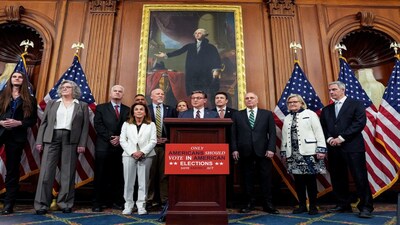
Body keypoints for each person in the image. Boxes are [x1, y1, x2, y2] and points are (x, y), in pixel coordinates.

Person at [34, 80, 89, 215]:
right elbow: (44, 123)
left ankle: (65, 203)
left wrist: (82, 144)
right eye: (62, 87)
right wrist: (39, 141)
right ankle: (41, 204)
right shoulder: (52, 103)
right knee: (46, 172)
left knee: (68, 172)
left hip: (71, 139)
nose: (64, 89)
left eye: (67, 87)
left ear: (74, 90)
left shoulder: (82, 105)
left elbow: (85, 127)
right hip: (51, 138)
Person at [320, 81, 373, 218]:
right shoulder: (326, 110)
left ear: (342, 90)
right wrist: (330, 139)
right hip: (333, 148)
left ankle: (366, 207)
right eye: (330, 90)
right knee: (338, 178)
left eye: (334, 89)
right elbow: (324, 127)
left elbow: (359, 123)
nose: (331, 92)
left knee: (359, 177)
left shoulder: (356, 104)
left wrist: (341, 138)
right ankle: (343, 204)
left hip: (353, 147)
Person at [231, 92, 279, 214]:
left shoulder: (267, 114)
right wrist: (235, 149)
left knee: (266, 178)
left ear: (257, 100)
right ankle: (249, 203)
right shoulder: (237, 115)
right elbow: (233, 134)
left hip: (263, 151)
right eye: (247, 98)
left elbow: (272, 133)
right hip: (244, 151)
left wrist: (271, 148)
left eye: (252, 98)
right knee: (246, 179)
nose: (249, 100)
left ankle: (267, 204)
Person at [280, 94, 326, 215]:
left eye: (295, 102)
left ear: (301, 103)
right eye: (290, 103)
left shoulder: (310, 114)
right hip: (293, 155)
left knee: (310, 181)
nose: (292, 104)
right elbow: (284, 137)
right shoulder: (287, 118)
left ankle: (313, 206)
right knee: (299, 182)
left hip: (309, 152)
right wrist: (284, 152)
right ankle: (302, 205)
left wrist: (321, 149)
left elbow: (318, 132)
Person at [0, 72, 37, 215]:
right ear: (10, 79)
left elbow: (32, 121)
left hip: (16, 137)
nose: (17, 78)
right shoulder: (2, 95)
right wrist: (1, 122)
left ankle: (8, 203)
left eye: (20, 77)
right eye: (14, 76)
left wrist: (19, 123)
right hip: (1, 132)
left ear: (24, 81)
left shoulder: (30, 99)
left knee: (12, 171)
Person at [92, 85, 130, 212]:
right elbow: (98, 124)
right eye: (115, 91)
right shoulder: (101, 108)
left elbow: (129, 127)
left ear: (122, 94)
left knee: (118, 176)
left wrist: (120, 138)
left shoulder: (128, 110)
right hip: (104, 146)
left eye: (120, 91)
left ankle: (117, 201)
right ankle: (98, 202)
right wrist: (111, 137)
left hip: (121, 147)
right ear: (110, 93)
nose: (117, 93)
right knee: (101, 175)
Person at [155, 28, 222, 97]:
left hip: (204, 74)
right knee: (192, 92)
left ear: (204, 35)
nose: (197, 34)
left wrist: (216, 70)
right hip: (192, 74)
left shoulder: (211, 47)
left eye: (199, 33)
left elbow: (216, 59)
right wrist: (166, 55)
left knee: (204, 93)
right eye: (196, 33)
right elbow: (179, 51)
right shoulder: (190, 46)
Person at [120, 103, 157, 215]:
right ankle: (128, 205)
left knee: (143, 182)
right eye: (136, 109)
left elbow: (153, 141)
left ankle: (141, 205)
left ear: (145, 112)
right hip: (128, 155)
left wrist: (142, 152)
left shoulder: (151, 125)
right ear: (133, 112)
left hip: (146, 156)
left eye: (141, 109)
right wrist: (132, 152)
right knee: (128, 182)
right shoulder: (126, 124)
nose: (139, 111)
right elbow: (122, 140)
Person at [147, 88, 177, 209]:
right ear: (151, 96)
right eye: (157, 93)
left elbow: (175, 127)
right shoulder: (146, 109)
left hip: (166, 147)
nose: (160, 95)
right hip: (149, 147)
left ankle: (165, 200)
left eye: (162, 93)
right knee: (150, 175)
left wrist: (168, 138)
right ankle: (149, 200)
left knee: (164, 175)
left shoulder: (171, 110)